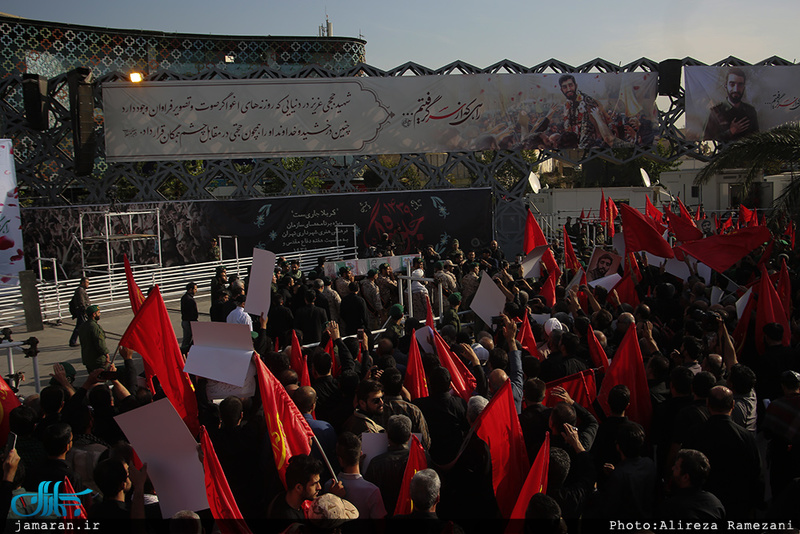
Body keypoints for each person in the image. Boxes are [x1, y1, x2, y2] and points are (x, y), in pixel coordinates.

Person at [704, 68, 759, 142]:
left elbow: (757, 138)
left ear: (744, 87)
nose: (736, 89)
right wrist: (730, 132)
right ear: (726, 86)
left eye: (740, 84)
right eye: (732, 84)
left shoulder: (750, 111)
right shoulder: (715, 112)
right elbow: (708, 140)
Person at [557, 74, 610, 149]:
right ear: (561, 90)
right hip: (575, 146)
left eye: (570, 85)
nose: (568, 89)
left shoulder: (587, 101)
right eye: (565, 87)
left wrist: (599, 141)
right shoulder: (567, 105)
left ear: (576, 85)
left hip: (590, 146)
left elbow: (598, 122)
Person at [78, 305, 109, 372]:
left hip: (87, 359)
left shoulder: (82, 326)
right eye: (98, 312)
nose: (99, 314)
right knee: (102, 378)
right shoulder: (94, 327)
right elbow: (100, 343)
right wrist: (106, 354)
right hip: (97, 359)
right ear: (94, 314)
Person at [68, 277, 91, 347]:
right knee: (81, 327)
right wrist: (85, 310)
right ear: (83, 283)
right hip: (81, 311)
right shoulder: (80, 291)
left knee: (81, 326)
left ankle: (74, 340)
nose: (88, 284)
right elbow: (82, 302)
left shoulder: (81, 290)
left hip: (81, 311)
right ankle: (73, 341)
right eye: (87, 282)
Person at [180, 281, 198, 354]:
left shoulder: (185, 297)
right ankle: (182, 353)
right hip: (189, 322)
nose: (196, 291)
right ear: (190, 290)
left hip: (186, 321)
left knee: (187, 339)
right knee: (187, 339)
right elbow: (191, 313)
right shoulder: (189, 299)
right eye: (195, 289)